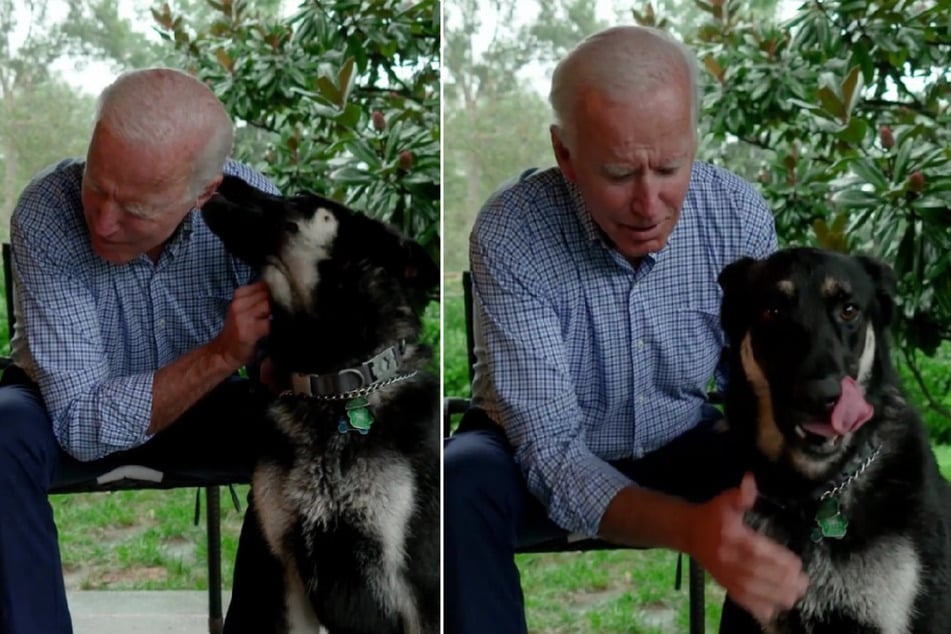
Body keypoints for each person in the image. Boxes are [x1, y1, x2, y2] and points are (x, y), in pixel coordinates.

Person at [444, 25, 810, 633]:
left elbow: (759, 387)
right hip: (527, 452)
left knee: (788, 473)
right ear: (565, 155)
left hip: (679, 436)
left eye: (670, 167)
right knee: (456, 482)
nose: (649, 204)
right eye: (618, 175)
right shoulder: (512, 232)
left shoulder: (739, 215)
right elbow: (551, 451)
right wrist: (693, 530)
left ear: (695, 139)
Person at [0, 68, 277, 634]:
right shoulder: (47, 211)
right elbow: (79, 419)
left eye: (138, 210)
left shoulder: (259, 210)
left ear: (204, 194)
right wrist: (225, 353)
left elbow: (288, 368)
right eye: (97, 187)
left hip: (207, 404)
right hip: (59, 407)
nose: (104, 222)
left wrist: (287, 365)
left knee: (317, 429)